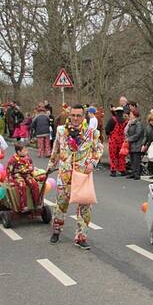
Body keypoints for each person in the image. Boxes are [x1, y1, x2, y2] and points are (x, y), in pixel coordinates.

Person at [48, 105, 103, 249]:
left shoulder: (92, 133)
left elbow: (99, 149)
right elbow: (55, 150)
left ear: (83, 116)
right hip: (65, 174)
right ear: (69, 115)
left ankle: (81, 237)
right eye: (73, 115)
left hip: (82, 174)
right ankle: (56, 230)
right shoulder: (61, 131)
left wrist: (93, 162)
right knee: (60, 205)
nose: (75, 118)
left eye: (78, 115)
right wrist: (50, 166)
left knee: (85, 207)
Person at [6, 142, 46, 212]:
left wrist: (32, 171)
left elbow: (31, 166)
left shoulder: (28, 158)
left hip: (27, 174)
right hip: (17, 175)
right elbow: (9, 171)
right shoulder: (13, 160)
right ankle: (23, 206)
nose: (26, 152)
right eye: (24, 151)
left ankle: (37, 203)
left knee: (34, 184)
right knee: (22, 185)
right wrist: (10, 181)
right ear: (19, 152)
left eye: (26, 150)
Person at [105, 107, 127, 177]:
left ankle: (113, 170)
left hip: (113, 140)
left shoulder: (112, 120)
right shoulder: (125, 121)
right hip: (122, 140)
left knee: (113, 156)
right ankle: (122, 170)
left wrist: (109, 134)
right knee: (121, 156)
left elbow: (107, 130)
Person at [125, 108, 144, 180]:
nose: (129, 115)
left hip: (137, 144)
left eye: (131, 114)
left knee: (136, 160)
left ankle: (137, 174)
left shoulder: (138, 123)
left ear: (134, 115)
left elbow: (138, 134)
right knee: (132, 159)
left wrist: (129, 139)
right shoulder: (131, 123)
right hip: (131, 144)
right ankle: (133, 173)